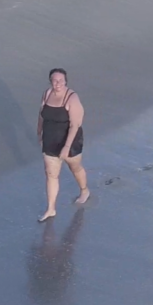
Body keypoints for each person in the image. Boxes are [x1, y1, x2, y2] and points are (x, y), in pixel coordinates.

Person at [37, 68, 91, 221]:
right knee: (51, 174)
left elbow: (75, 125)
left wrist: (66, 147)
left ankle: (84, 190)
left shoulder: (71, 98)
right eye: (54, 80)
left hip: (70, 141)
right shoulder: (47, 94)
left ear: (66, 81)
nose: (58, 83)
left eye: (61, 80)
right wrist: (39, 132)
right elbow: (41, 115)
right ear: (50, 81)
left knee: (75, 167)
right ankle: (51, 209)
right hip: (50, 140)